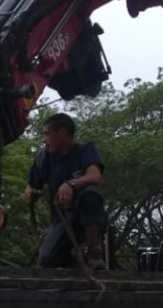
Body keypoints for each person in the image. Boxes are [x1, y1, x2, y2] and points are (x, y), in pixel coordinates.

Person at [24, 112, 107, 270]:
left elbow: (95, 176)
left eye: (47, 134)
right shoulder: (44, 158)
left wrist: (71, 183)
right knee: (46, 260)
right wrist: (30, 192)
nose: (44, 140)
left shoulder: (86, 150)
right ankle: (72, 258)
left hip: (88, 218)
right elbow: (32, 185)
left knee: (91, 194)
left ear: (62, 132)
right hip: (61, 221)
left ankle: (92, 251)